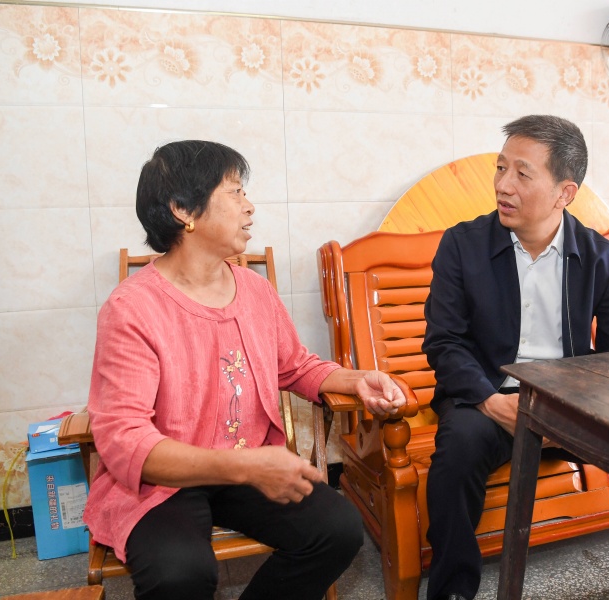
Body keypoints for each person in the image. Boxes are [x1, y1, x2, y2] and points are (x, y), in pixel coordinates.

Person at [84, 140, 406, 600]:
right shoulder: (132, 309)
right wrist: (245, 466)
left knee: (337, 529)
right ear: (182, 210)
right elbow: (124, 440)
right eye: (235, 192)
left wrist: (357, 380)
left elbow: (294, 367)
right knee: (180, 573)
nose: (249, 207)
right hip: (166, 481)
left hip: (249, 466)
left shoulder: (255, 291)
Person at [422, 116, 609, 600]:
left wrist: (583, 407)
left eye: (522, 173)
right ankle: (453, 591)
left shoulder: (601, 256)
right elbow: (445, 341)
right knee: (457, 452)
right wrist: (489, 401)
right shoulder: (462, 246)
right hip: (490, 397)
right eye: (501, 168)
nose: (503, 185)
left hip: (572, 401)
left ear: (565, 192)